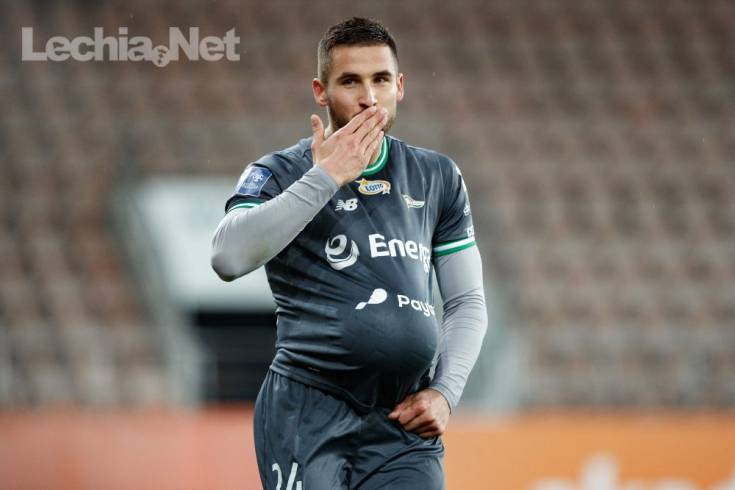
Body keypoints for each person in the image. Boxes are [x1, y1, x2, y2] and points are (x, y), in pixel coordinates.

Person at [211, 17, 487, 490]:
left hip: (402, 424)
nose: (368, 97)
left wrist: (445, 392)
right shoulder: (281, 172)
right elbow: (227, 258)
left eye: (381, 79)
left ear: (400, 86)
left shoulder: (437, 176)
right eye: (350, 81)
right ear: (321, 92)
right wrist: (326, 178)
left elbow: (467, 302)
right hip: (306, 415)